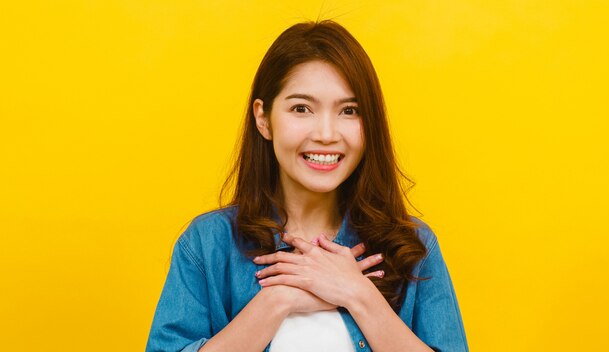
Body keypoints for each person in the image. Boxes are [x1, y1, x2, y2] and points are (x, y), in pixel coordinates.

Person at [146, 20, 468, 352]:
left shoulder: (414, 247)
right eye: (302, 108)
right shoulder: (207, 244)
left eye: (349, 110)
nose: (327, 134)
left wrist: (357, 293)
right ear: (263, 118)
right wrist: (279, 299)